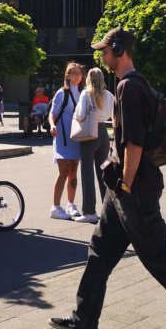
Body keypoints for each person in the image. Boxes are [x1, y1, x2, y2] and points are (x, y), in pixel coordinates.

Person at [49, 27, 166, 329]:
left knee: (158, 256)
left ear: (118, 49)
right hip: (121, 191)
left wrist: (126, 186)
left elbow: (133, 143)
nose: (101, 56)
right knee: (99, 252)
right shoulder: (131, 84)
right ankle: (83, 319)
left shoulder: (129, 87)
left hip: (134, 191)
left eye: (105, 50)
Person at [73, 67, 114, 223]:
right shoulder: (109, 95)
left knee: (87, 173)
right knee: (103, 174)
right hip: (103, 132)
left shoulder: (86, 94)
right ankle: (108, 211)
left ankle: (89, 211)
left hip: (90, 133)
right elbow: (112, 114)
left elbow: (79, 114)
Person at [49, 63, 84, 220]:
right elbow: (53, 113)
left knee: (73, 172)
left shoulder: (82, 94)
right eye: (74, 73)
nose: (78, 75)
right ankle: (55, 207)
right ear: (67, 76)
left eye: (80, 73)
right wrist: (52, 125)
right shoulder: (62, 93)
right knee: (63, 172)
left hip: (76, 138)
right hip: (62, 138)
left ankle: (70, 204)